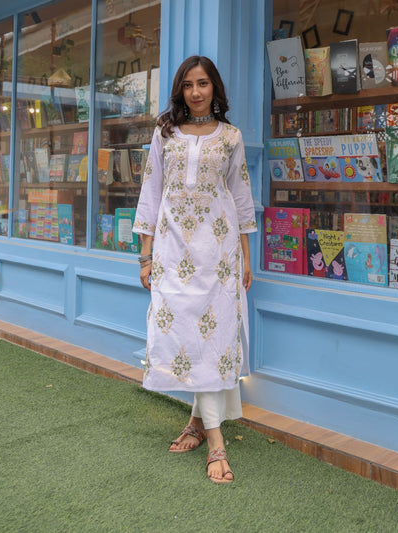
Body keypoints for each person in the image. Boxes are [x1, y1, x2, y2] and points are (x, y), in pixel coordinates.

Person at [132, 55, 257, 484]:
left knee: (215, 337)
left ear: (214, 88)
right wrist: (145, 253)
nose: (196, 92)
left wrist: (245, 254)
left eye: (203, 83)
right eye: (188, 85)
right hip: (172, 248)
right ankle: (202, 424)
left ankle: (210, 435)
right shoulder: (164, 133)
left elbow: (241, 195)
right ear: (180, 91)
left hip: (219, 252)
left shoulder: (231, 137)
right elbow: (151, 190)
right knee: (184, 331)